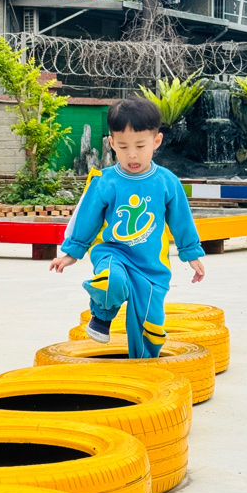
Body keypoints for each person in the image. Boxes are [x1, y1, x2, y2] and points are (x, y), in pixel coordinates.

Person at [50, 98, 205, 359]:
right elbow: (86, 218)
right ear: (112, 143)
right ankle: (102, 316)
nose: (132, 154)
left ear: (156, 141)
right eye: (123, 146)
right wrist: (71, 252)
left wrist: (192, 254)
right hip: (114, 254)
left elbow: (181, 220)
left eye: (140, 146)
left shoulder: (167, 182)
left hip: (152, 266)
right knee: (110, 281)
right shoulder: (105, 181)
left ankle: (144, 364)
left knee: (150, 326)